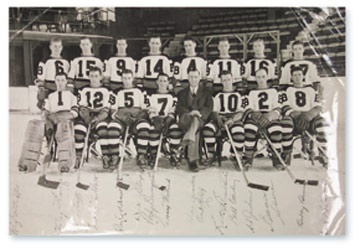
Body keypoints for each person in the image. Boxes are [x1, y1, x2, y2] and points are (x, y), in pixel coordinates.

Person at [281, 66, 329, 167]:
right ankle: (287, 153)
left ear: (303, 76)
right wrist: (295, 114)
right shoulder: (287, 90)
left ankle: (323, 152)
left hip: (309, 118)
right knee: (285, 124)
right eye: (295, 75)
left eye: (299, 74)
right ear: (291, 77)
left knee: (322, 123)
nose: (297, 77)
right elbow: (284, 106)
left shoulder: (311, 90)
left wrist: (309, 115)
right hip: (295, 119)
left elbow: (317, 106)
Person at [203, 70, 251, 166]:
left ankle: (238, 155)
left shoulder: (241, 94)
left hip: (234, 119)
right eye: (224, 80)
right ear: (221, 81)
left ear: (232, 79)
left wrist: (232, 120)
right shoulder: (216, 95)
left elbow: (241, 112)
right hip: (220, 118)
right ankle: (212, 155)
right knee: (208, 129)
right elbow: (214, 111)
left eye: (228, 79)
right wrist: (219, 119)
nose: (226, 82)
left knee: (239, 131)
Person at [243, 68, 287, 170]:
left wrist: (270, 116)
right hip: (256, 118)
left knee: (276, 128)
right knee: (249, 128)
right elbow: (247, 107)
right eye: (258, 77)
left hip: (270, 117)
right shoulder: (251, 92)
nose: (261, 79)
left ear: (267, 77)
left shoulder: (274, 91)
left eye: (263, 76)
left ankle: (276, 158)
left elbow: (278, 107)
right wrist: (255, 115)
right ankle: (248, 158)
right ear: (255, 79)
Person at [107, 69, 151, 170]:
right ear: (121, 79)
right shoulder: (116, 92)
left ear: (132, 79)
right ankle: (114, 155)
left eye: (129, 78)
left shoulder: (140, 91)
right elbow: (112, 111)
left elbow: (145, 109)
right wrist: (122, 118)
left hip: (136, 117)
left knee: (144, 126)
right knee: (112, 127)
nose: (127, 81)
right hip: (122, 117)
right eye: (124, 78)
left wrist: (137, 117)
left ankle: (141, 155)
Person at [176, 69, 213, 172]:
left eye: (196, 77)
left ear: (199, 78)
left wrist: (199, 113)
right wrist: (190, 113)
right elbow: (179, 107)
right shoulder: (182, 93)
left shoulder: (206, 92)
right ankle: (192, 157)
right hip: (186, 118)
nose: (193, 79)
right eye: (191, 77)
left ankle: (192, 160)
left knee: (196, 123)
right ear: (188, 78)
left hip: (201, 118)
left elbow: (209, 106)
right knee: (194, 123)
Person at [73, 67, 111, 169]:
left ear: (101, 77)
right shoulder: (83, 89)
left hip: (100, 116)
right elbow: (81, 107)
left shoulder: (107, 90)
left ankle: (106, 156)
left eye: (96, 76)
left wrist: (97, 119)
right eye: (92, 76)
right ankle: (78, 156)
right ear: (89, 77)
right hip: (86, 115)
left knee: (103, 129)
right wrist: (87, 119)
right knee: (79, 129)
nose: (94, 78)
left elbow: (106, 109)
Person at [43, 72, 78, 172]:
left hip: (65, 119)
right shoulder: (50, 96)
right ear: (55, 81)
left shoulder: (71, 96)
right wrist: (49, 117)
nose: (60, 83)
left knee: (64, 131)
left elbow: (75, 112)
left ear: (66, 81)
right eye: (58, 80)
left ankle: (65, 162)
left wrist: (64, 117)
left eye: (62, 80)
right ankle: (49, 150)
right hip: (53, 118)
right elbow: (46, 111)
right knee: (43, 127)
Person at [148, 73, 182, 167]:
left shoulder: (173, 95)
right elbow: (150, 108)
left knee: (175, 129)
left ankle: (174, 153)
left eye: (165, 81)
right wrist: (154, 118)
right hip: (157, 119)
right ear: (157, 82)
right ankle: (153, 154)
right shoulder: (151, 95)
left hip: (169, 119)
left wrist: (169, 119)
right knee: (152, 130)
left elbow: (174, 108)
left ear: (168, 83)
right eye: (160, 81)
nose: (162, 83)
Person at [35, 38, 70, 110]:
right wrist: (42, 92)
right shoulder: (45, 62)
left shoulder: (66, 62)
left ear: (62, 48)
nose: (57, 49)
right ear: (50, 47)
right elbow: (40, 79)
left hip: (63, 89)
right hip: (49, 88)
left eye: (59, 46)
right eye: (55, 46)